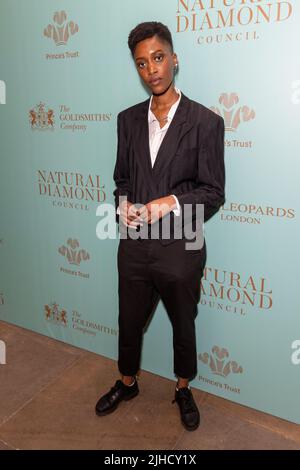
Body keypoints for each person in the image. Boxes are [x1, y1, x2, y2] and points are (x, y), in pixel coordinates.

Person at [95, 21, 225, 431]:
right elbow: (122, 179)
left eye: (157, 57)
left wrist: (169, 203)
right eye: (141, 63)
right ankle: (127, 381)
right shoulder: (127, 120)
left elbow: (212, 193)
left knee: (183, 323)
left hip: (181, 247)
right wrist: (123, 206)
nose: (151, 69)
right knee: (128, 321)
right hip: (134, 246)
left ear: (174, 59)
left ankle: (183, 388)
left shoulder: (205, 121)